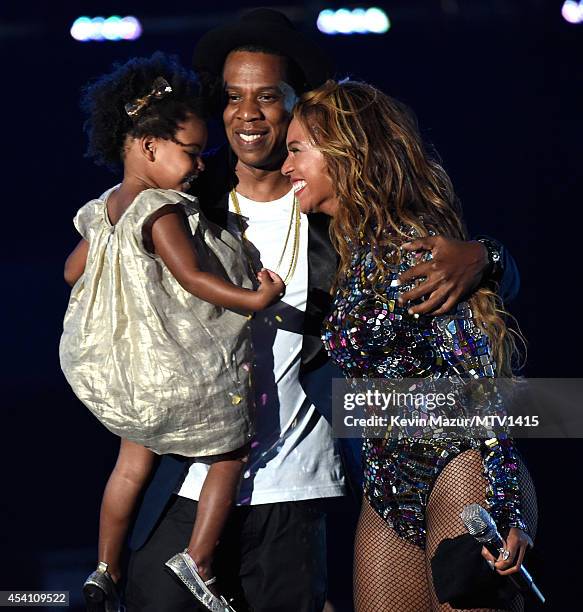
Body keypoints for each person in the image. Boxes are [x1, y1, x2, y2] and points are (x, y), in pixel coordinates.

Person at [124, 10, 522, 612]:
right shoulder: (180, 204)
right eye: (232, 97)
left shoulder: (341, 219)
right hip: (189, 477)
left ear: (297, 108)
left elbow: (479, 358)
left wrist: (489, 257)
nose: (247, 113)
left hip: (304, 483)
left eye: (267, 96)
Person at [282, 79, 537, 612]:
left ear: (345, 153)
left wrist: (509, 504)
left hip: (455, 470)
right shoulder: (357, 248)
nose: (287, 168)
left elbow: (479, 388)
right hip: (386, 483)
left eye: (297, 150)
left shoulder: (414, 247)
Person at [59, 52, 285, 612]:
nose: (200, 164)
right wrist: (255, 297)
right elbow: (194, 277)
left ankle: (105, 568)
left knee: (129, 466)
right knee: (232, 451)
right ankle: (198, 558)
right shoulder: (162, 209)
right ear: (148, 146)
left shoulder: (103, 208)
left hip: (131, 372)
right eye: (190, 152)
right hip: (177, 365)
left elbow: (69, 271)